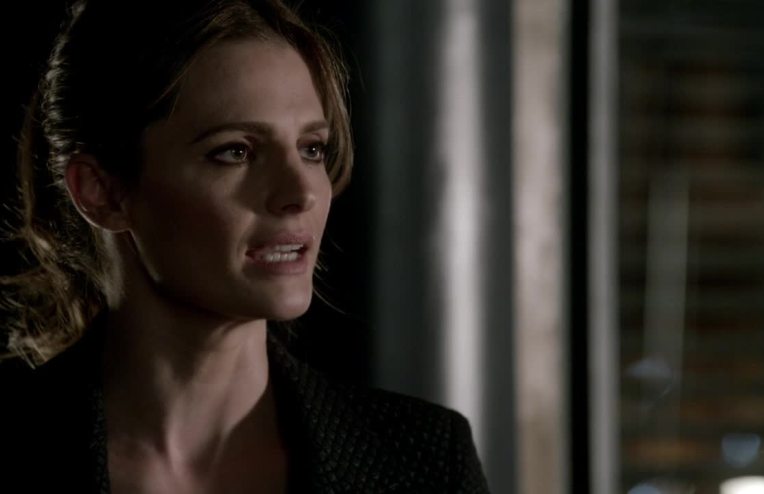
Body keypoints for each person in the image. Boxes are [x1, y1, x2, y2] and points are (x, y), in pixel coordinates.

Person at [0, 0, 490, 492]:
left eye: (312, 149)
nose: (301, 193)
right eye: (235, 152)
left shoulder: (424, 463)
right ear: (101, 192)